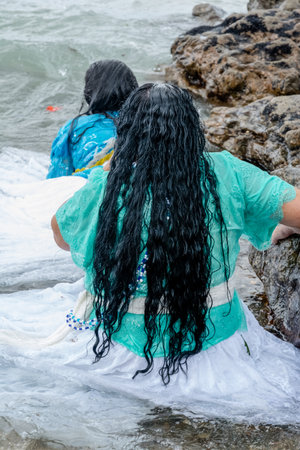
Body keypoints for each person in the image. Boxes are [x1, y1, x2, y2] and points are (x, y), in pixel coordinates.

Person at [50, 83, 300, 419]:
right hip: (214, 349)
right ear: (190, 129)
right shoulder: (227, 173)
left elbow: (61, 234)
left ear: (127, 133)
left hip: (117, 352)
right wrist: (281, 225)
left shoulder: (106, 186)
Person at [46, 59, 138, 179]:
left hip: (88, 190)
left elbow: (58, 180)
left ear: (90, 91)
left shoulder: (74, 128)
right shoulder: (141, 125)